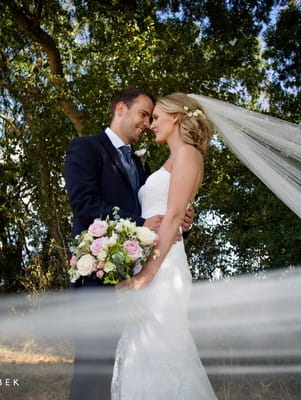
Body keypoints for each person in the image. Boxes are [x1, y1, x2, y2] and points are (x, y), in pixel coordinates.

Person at [63, 88, 193, 399]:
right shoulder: (86, 149)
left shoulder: (142, 167)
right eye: (144, 115)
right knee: (93, 376)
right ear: (121, 108)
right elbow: (84, 203)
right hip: (98, 277)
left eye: (152, 118)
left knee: (127, 375)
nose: (148, 124)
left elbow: (156, 217)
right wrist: (140, 225)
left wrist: (180, 223)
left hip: (139, 283)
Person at [112, 93, 217, 399]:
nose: (150, 124)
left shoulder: (187, 154)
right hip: (154, 258)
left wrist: (147, 274)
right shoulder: (172, 160)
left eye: (156, 117)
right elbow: (173, 211)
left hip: (163, 268)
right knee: (142, 351)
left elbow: (172, 215)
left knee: (163, 352)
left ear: (175, 117)